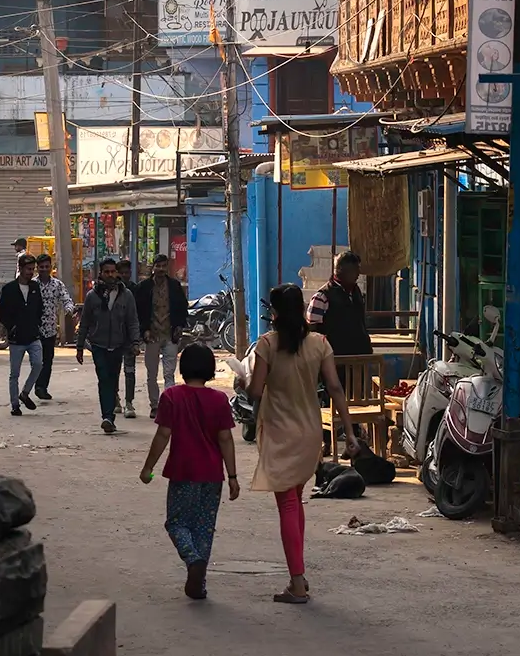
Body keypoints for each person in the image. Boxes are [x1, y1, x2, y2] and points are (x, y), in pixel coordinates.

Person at [246, 283, 358, 604]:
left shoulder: (267, 344)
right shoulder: (320, 343)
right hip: (310, 432)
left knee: (288, 504)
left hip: (280, 432)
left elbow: (254, 392)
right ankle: (299, 573)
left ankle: (297, 581)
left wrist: (243, 377)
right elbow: (335, 389)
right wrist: (349, 433)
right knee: (296, 499)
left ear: (276, 313)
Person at [140, 342, 240, 600]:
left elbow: (163, 435)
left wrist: (148, 467)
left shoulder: (171, 397)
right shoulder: (219, 400)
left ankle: (192, 559)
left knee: (177, 523)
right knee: (204, 527)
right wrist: (233, 477)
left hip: (183, 472)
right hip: (212, 475)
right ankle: (200, 581)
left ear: (183, 369)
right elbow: (226, 439)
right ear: (210, 370)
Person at [76, 258, 140, 434]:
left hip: (118, 345)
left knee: (112, 379)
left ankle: (109, 415)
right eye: (107, 272)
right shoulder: (92, 296)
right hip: (98, 345)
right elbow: (85, 322)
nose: (111, 275)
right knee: (104, 378)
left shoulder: (126, 295)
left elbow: (132, 321)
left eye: (113, 272)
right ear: (101, 274)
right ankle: (107, 417)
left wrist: (135, 342)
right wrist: (80, 346)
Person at [135, 255, 189, 418]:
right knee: (151, 373)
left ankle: (169, 405)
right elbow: (139, 311)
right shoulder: (144, 287)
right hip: (151, 336)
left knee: (169, 373)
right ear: (153, 267)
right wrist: (144, 330)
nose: (160, 269)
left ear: (167, 267)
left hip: (169, 334)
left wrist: (179, 326)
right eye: (158, 266)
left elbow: (182, 307)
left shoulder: (174, 286)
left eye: (163, 266)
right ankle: (154, 405)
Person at [0, 254, 45, 416]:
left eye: (33, 269)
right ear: (21, 269)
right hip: (16, 339)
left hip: (33, 336)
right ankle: (15, 405)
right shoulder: (9, 289)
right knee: (14, 373)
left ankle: (25, 392)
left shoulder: (35, 288)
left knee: (38, 364)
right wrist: (12, 327)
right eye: (28, 269)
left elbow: (40, 308)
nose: (31, 272)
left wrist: (36, 324)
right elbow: (1, 312)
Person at [306, 250, 372, 355]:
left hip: (359, 359)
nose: (358, 274)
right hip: (335, 360)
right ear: (341, 270)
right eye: (355, 269)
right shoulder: (322, 297)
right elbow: (314, 334)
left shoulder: (356, 292)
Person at [34, 252, 75, 401]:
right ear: (37, 268)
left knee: (48, 360)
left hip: (50, 329)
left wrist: (69, 310)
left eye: (47, 266)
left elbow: (66, 299)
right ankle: (36, 385)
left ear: (51, 267)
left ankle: (42, 387)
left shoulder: (57, 285)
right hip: (34, 329)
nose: (44, 269)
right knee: (37, 360)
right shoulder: (32, 284)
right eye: (41, 267)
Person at [116, 257, 139, 418]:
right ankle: (115, 399)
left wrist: (136, 339)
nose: (125, 275)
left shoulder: (134, 291)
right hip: (113, 338)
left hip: (129, 338)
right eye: (122, 273)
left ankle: (129, 402)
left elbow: (136, 317)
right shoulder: (110, 290)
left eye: (127, 272)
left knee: (129, 371)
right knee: (114, 371)